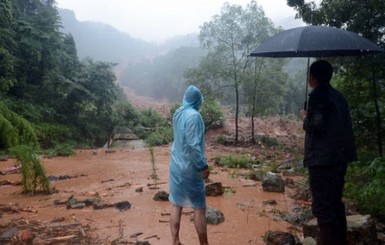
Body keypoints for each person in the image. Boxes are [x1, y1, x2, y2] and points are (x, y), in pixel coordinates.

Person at [300, 60, 357, 245]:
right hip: (340, 159)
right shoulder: (339, 97)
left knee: (323, 209)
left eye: (310, 75)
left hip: (322, 161)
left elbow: (317, 125)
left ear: (313, 77)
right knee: (335, 205)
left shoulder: (318, 97)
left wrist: (305, 118)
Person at [169, 85, 210, 245]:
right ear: (198, 100)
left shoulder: (178, 113)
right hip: (190, 170)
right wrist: (203, 165)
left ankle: (175, 241)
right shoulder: (194, 116)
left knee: (176, 204)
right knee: (199, 208)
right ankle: (204, 244)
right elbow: (193, 145)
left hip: (176, 166)